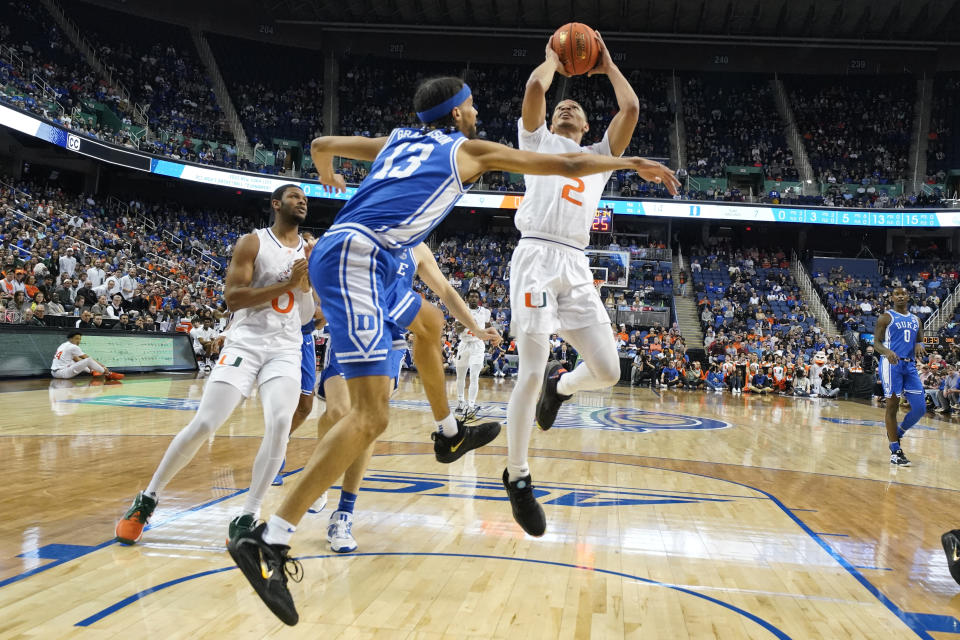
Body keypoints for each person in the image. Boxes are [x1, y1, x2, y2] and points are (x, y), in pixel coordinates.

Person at [226, 74, 673, 625]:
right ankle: (272, 538)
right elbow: (572, 166)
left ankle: (448, 432)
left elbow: (322, 145)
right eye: (473, 105)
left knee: (430, 322)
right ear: (459, 113)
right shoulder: (468, 148)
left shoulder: (398, 140)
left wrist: (326, 176)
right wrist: (634, 164)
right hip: (360, 258)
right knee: (370, 417)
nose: (478, 110)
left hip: (362, 257)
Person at [501, 35, 678, 538]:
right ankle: (517, 476)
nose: (567, 107)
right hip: (534, 256)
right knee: (528, 371)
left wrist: (606, 64)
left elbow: (632, 106)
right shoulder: (534, 140)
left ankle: (564, 386)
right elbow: (536, 88)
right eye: (562, 107)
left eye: (574, 108)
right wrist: (554, 60)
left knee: (608, 370)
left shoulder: (601, 154)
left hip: (575, 265)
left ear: (586, 127)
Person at [114, 184, 314, 546]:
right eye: (295, 196)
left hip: (285, 348)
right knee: (206, 422)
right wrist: (288, 282)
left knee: (281, 423)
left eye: (305, 198)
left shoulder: (312, 251)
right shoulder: (252, 242)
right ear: (276, 204)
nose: (302, 201)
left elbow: (308, 315)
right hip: (246, 342)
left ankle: (248, 513)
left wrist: (310, 287)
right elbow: (234, 299)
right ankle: (148, 498)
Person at [290, 243, 502, 554]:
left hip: (389, 339)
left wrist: (476, 328)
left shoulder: (417, 248)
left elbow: (445, 290)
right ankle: (323, 474)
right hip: (348, 328)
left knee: (367, 423)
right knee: (337, 412)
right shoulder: (360, 231)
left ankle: (344, 514)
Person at [873, 287, 926, 466]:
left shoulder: (916, 319)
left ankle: (897, 434)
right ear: (892, 297)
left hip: (909, 365)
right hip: (891, 364)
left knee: (920, 408)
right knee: (892, 405)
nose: (901, 296)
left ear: (908, 296)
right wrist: (887, 351)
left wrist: (919, 343)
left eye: (903, 294)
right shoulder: (886, 317)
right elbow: (876, 343)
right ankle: (895, 451)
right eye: (897, 294)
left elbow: (919, 338)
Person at [454, 289, 491, 416]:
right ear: (467, 298)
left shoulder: (486, 312)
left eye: (476, 297)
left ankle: (471, 405)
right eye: (471, 296)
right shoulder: (461, 310)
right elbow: (458, 329)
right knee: (460, 376)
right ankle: (460, 401)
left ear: (479, 299)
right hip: (464, 344)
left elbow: (487, 326)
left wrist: (491, 336)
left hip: (477, 345)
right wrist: (469, 321)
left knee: (474, 376)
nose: (474, 298)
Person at [50, 330, 124, 380]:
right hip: (63, 373)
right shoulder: (73, 346)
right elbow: (87, 358)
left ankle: (92, 371)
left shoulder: (63, 345)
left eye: (79, 339)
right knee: (88, 360)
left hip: (54, 373)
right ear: (70, 339)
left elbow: (76, 359)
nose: (78, 341)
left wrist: (91, 367)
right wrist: (102, 366)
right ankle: (108, 374)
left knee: (76, 361)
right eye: (76, 339)